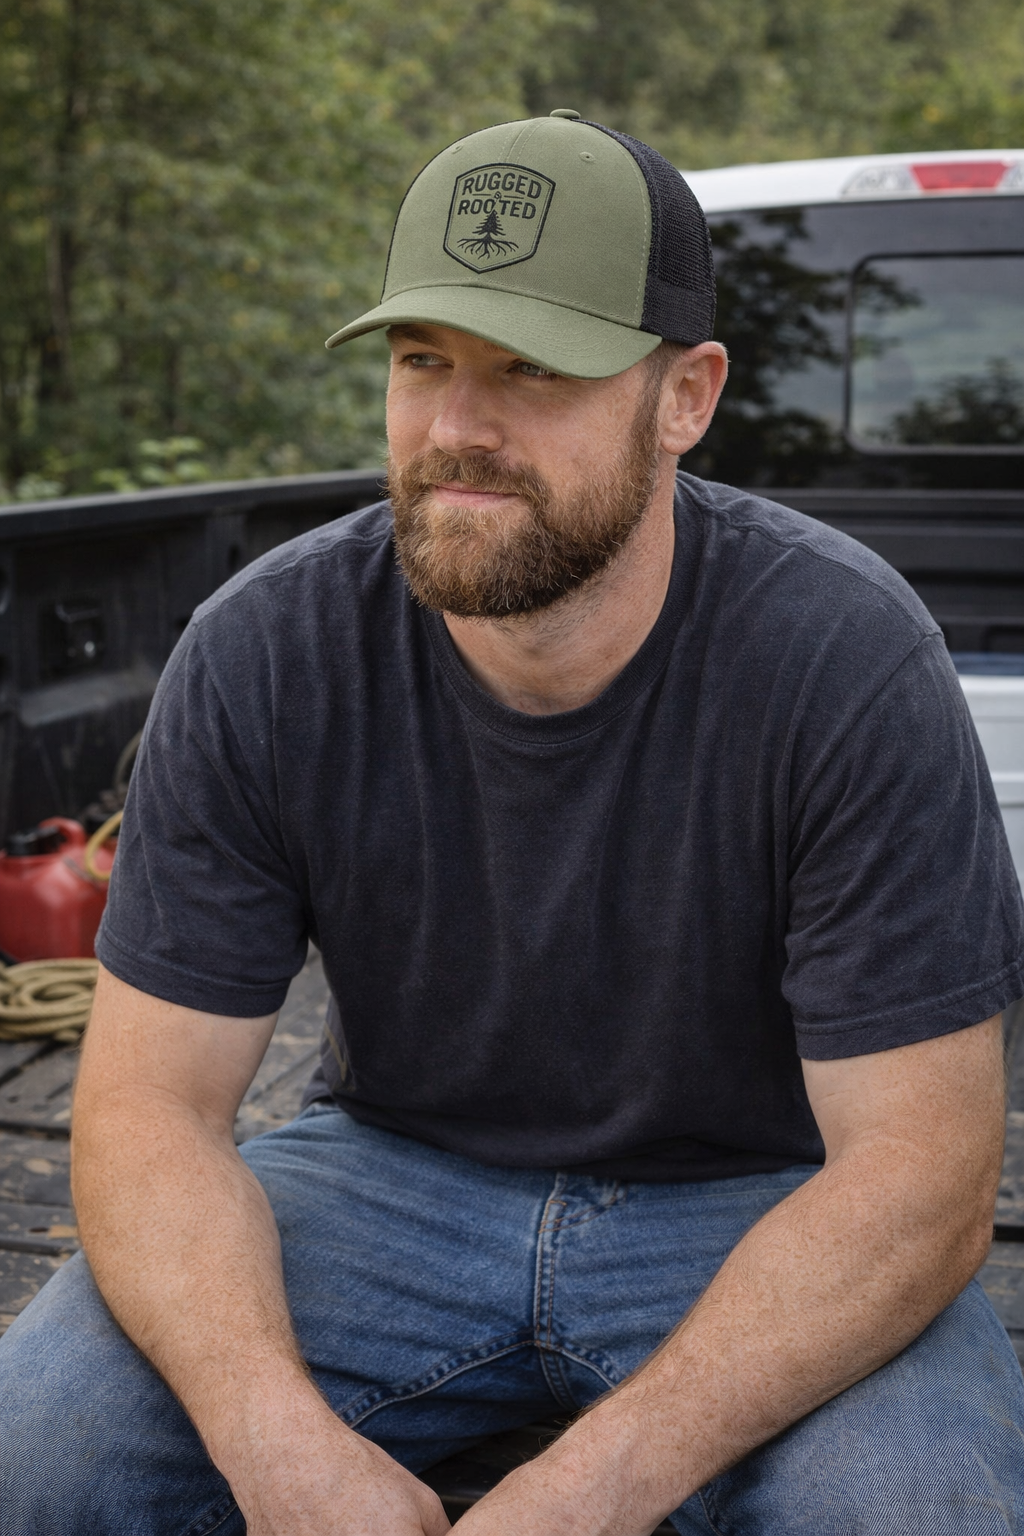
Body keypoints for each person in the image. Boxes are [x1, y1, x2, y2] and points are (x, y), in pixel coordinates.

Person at [1, 110, 1023, 1536]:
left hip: (763, 1206)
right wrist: (271, 1440)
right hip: (387, 1189)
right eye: (425, 363)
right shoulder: (267, 650)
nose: (458, 430)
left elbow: (921, 1177)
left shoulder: (844, 660)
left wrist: (595, 1484)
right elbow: (147, 1110)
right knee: (35, 1450)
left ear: (686, 396)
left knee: (927, 1507)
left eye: (534, 369)